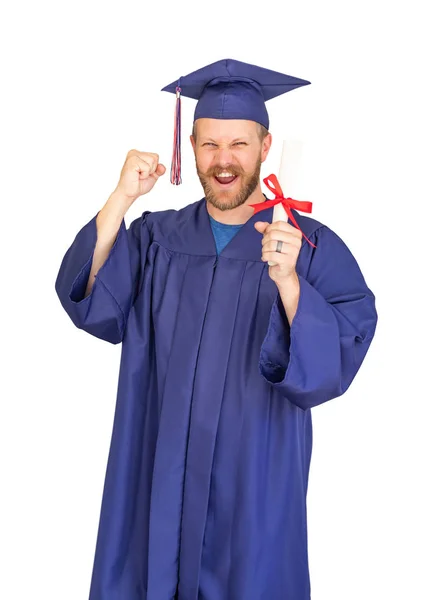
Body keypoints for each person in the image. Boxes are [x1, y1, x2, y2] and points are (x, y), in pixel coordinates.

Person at [55, 59, 378, 600]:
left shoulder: (307, 244)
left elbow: (336, 362)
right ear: (192, 145)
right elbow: (93, 303)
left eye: (239, 145)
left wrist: (291, 285)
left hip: (253, 478)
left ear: (265, 146)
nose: (223, 161)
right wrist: (122, 197)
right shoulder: (157, 236)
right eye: (209, 145)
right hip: (158, 466)